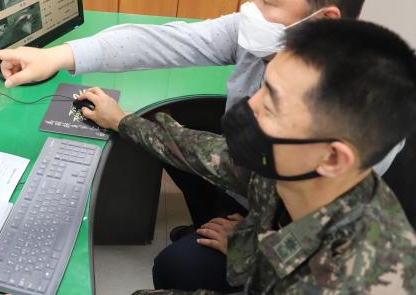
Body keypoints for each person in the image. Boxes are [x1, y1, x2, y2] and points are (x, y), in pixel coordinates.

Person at [0, 0, 411, 290]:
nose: (249, 11)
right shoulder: (287, 70)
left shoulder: (355, 238)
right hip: (267, 213)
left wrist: (249, 245)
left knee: (175, 266)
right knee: (178, 131)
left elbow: (302, 233)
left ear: (323, 21)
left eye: (267, 0)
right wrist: (63, 60)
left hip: (281, 239)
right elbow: (168, 43)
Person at [79, 19, 416, 293]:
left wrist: (249, 252)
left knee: (175, 268)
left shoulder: (361, 277)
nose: (248, 105)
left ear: (332, 158)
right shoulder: (298, 166)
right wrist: (122, 121)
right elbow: (203, 152)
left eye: (271, 104)